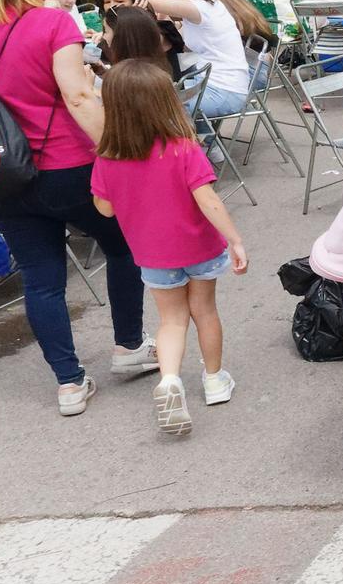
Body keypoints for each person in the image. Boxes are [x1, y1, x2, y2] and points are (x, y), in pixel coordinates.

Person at [0, 0, 151, 413]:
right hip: (66, 164)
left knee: (40, 277)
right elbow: (78, 94)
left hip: (4, 177)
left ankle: (69, 383)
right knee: (122, 247)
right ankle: (128, 346)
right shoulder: (53, 22)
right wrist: (116, 150)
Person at [90, 59, 250, 435]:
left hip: (152, 254)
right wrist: (235, 239)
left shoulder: (108, 158)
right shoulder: (183, 148)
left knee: (171, 320)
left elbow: (105, 209)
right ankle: (214, 380)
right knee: (205, 312)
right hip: (200, 248)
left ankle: (170, 380)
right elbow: (208, 199)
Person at [135, 0, 261, 124]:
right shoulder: (208, 4)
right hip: (224, 87)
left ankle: (197, 146)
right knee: (159, 93)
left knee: (152, 107)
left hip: (222, 92)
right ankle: (207, 144)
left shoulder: (195, 7)